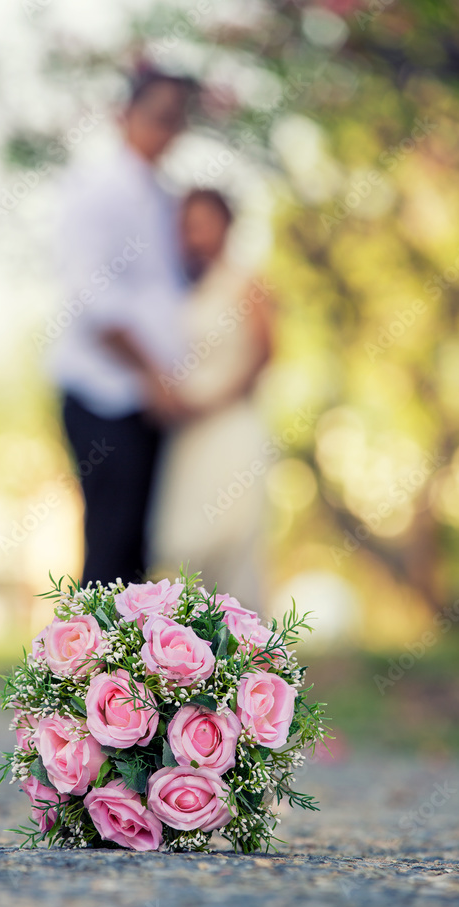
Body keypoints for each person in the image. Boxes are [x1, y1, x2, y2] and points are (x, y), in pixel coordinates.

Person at [46, 68, 197, 586]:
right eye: (159, 118)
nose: (168, 131)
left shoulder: (164, 198)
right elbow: (94, 302)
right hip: (103, 393)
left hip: (147, 404)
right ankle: (84, 667)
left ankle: (129, 669)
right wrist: (153, 374)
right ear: (124, 117)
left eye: (177, 120)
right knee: (110, 545)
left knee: (136, 551)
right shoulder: (98, 189)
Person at [148, 188, 274, 608]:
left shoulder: (246, 282)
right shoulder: (181, 289)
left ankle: (243, 661)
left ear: (226, 225)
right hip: (188, 434)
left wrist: (211, 401)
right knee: (183, 541)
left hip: (230, 425)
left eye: (202, 223)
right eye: (186, 225)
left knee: (231, 537)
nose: (193, 234)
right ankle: (185, 660)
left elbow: (264, 353)